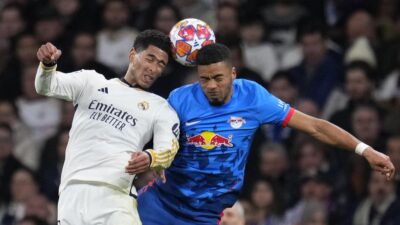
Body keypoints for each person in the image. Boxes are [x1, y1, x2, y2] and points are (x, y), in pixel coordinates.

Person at [128, 43, 395, 225]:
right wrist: (154, 155)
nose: (210, 86)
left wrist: (365, 150)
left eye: (218, 78)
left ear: (233, 74)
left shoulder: (253, 97)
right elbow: (154, 135)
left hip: (207, 215)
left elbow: (315, 126)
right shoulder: (180, 98)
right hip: (161, 204)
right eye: (204, 79)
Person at [35, 30, 179, 225]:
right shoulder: (91, 82)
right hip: (72, 193)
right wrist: (48, 64)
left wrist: (151, 157)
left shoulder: (160, 107)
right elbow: (46, 86)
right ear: (132, 55)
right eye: (150, 59)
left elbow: (168, 149)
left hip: (115, 196)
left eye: (161, 64)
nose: (154, 68)